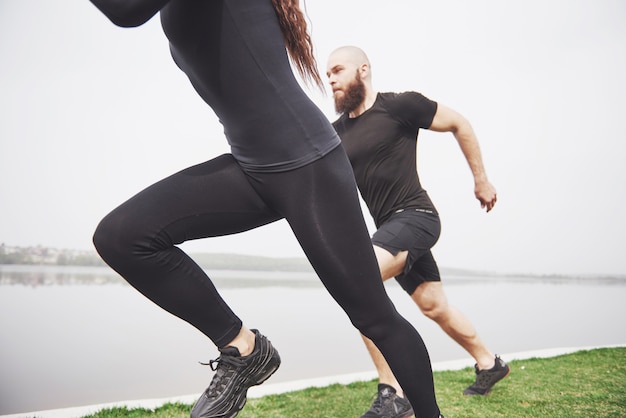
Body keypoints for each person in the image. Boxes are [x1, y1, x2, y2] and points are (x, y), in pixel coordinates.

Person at [87, 2, 444, 418]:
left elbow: (125, 10)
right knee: (121, 237)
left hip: (308, 163)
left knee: (374, 316)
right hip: (251, 165)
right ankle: (243, 347)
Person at [326, 45, 510, 418]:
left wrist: (481, 180)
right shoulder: (335, 134)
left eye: (337, 70)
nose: (330, 80)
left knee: (358, 281)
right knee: (434, 307)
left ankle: (393, 391)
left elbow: (460, 123)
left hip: (417, 216)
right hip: (391, 229)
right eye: (327, 74)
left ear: (363, 70)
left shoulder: (400, 106)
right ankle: (489, 363)